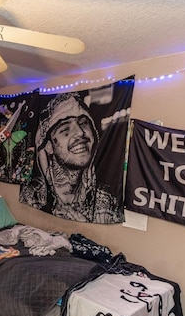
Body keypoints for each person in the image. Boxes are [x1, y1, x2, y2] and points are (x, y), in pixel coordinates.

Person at [20, 92, 123, 223]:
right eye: (65, 130)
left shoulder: (108, 203)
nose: (80, 133)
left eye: (84, 123)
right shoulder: (31, 196)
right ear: (49, 146)